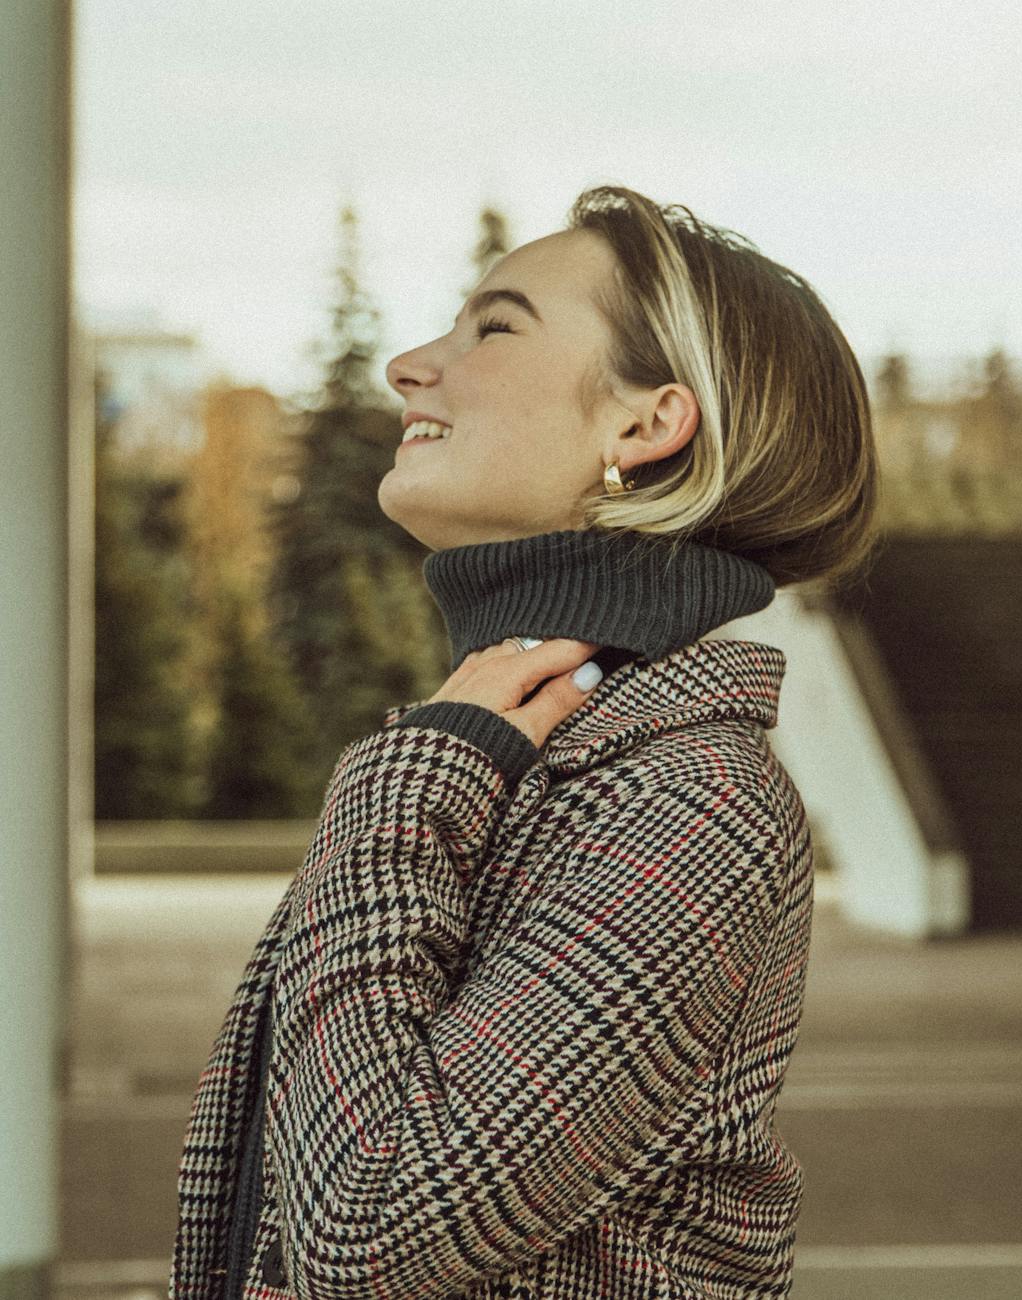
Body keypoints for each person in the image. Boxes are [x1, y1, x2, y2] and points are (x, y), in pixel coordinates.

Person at [169, 184, 879, 1299]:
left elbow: (365, 1225)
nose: (409, 364)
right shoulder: (514, 748)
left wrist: (393, 800)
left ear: (646, 424)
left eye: (492, 328)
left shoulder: (690, 802)